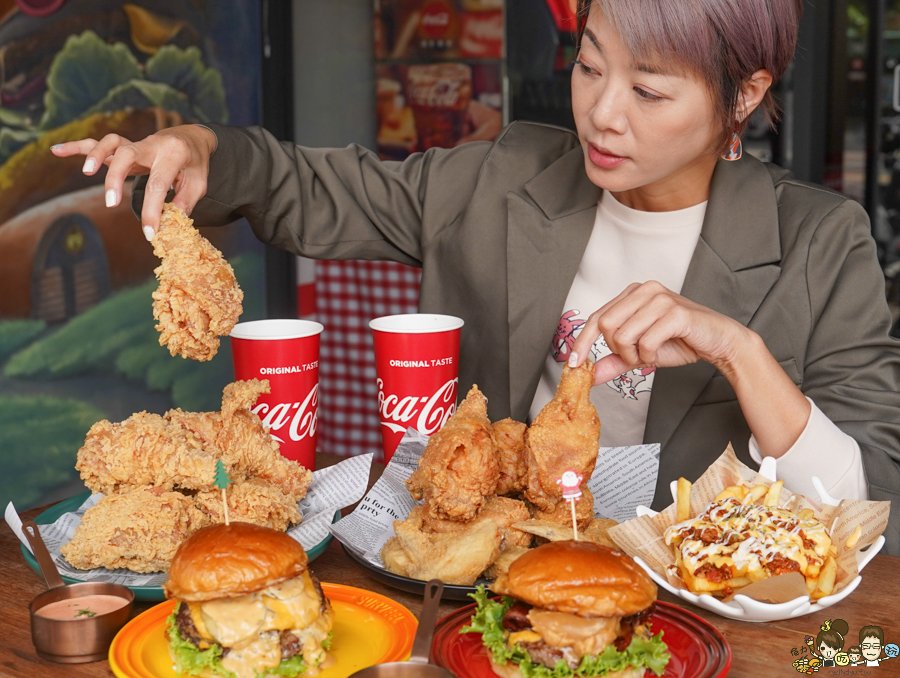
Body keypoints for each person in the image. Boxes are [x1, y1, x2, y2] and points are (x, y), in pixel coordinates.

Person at [52, 0, 900, 554]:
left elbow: (870, 505)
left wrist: (740, 353)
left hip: (710, 615)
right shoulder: (504, 177)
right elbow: (311, 187)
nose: (603, 112)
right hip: (489, 589)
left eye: (648, 90)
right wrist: (202, 150)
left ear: (744, 93)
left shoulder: (822, 244)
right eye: (591, 64)